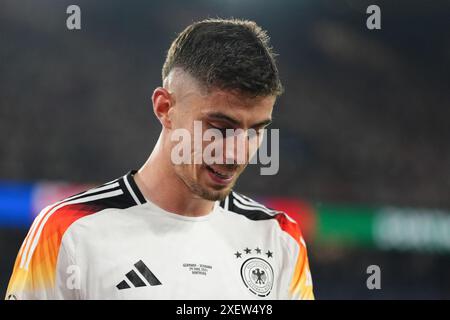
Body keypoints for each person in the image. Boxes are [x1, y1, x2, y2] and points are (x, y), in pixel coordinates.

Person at [5, 18, 314, 300]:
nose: (237, 153)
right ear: (165, 108)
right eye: (220, 128)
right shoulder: (68, 231)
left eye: (255, 131)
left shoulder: (278, 238)